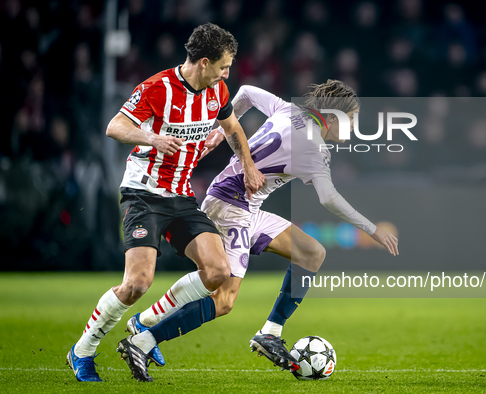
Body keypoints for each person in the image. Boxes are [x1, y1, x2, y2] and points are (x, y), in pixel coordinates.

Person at [123, 80, 399, 377]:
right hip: (231, 208)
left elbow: (246, 93)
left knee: (311, 252)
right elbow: (328, 198)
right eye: (351, 120)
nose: (354, 127)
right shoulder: (315, 149)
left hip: (244, 206)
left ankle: (269, 332)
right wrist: (372, 229)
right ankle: (143, 339)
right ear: (332, 119)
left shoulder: (288, 110)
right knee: (224, 300)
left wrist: (220, 130)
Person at [66, 23, 265, 382]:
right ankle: (83, 349)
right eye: (223, 65)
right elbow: (115, 127)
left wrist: (249, 167)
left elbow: (233, 129)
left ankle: (145, 323)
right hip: (143, 195)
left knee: (218, 271)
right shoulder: (157, 88)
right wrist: (152, 138)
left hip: (181, 196)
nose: (227, 73)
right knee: (137, 283)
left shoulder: (217, 91)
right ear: (203, 62)